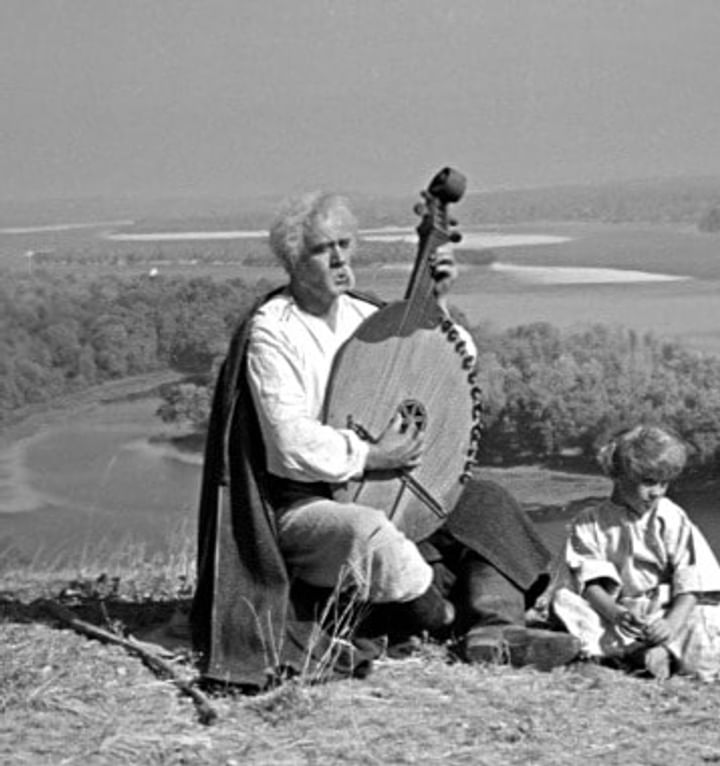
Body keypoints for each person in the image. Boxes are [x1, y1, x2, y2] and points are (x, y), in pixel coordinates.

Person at [191, 191, 579, 688]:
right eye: (321, 248)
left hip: (391, 485)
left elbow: (452, 362)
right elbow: (290, 443)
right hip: (307, 504)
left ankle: (496, 630)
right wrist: (372, 455)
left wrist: (436, 302)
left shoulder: (364, 316)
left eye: (345, 244)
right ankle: (439, 617)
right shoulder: (274, 331)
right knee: (369, 536)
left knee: (488, 503)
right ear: (293, 259)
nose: (338, 258)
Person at [549, 425, 720, 682]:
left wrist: (671, 623)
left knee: (701, 653)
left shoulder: (668, 516)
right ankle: (646, 655)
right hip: (624, 614)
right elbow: (591, 584)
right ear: (619, 475)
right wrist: (616, 614)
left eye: (664, 484)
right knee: (563, 602)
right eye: (649, 483)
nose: (658, 492)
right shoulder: (589, 522)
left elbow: (692, 581)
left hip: (674, 607)